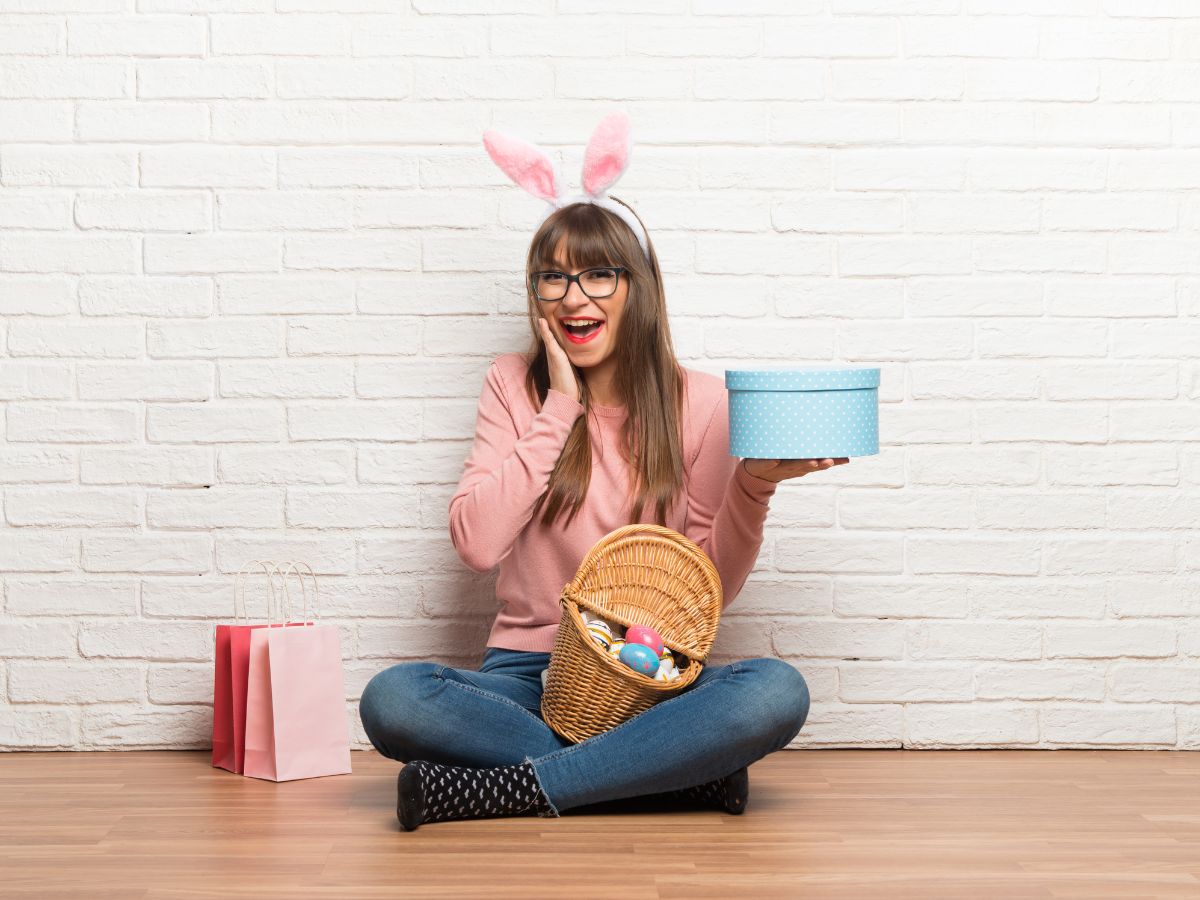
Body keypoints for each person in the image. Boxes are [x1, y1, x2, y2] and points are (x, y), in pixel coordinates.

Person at [358, 112, 849, 831]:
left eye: (596, 274)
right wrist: (560, 405)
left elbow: (712, 588)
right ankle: (670, 776)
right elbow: (476, 544)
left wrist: (755, 485)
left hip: (653, 675)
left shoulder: (704, 401)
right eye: (552, 278)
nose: (572, 296)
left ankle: (517, 789)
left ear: (637, 287)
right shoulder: (513, 385)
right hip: (523, 677)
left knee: (774, 690)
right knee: (392, 698)